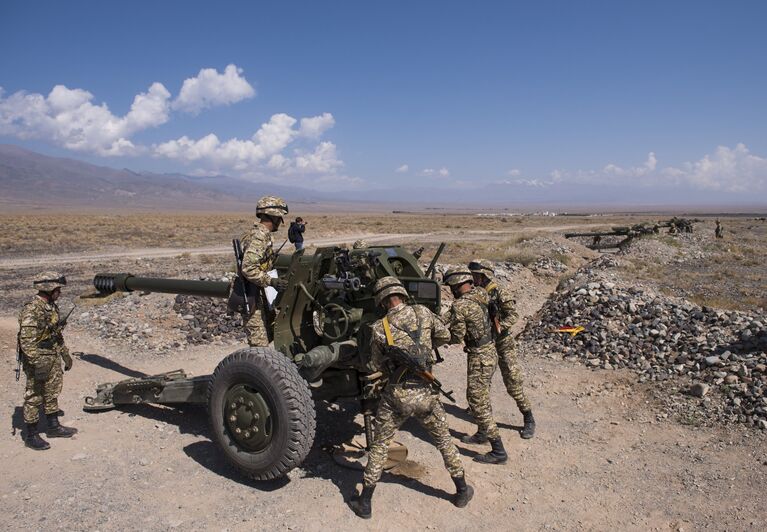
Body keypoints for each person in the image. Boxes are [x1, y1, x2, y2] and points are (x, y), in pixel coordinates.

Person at [349, 276, 473, 519]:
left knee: (380, 446)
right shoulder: (423, 313)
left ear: (382, 302)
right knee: (444, 441)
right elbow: (445, 336)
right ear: (402, 294)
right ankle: (460, 490)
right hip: (426, 394)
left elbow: (374, 364)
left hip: (396, 396)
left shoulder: (379, 328)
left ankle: (365, 502)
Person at [444, 266, 508, 465]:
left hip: (479, 357)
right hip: (489, 351)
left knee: (477, 401)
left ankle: (498, 451)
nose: (451, 290)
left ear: (456, 285)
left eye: (451, 286)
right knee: (481, 395)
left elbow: (456, 337)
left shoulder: (460, 306)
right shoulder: (481, 293)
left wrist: (439, 336)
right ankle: (482, 433)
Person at [468, 259, 535, 439]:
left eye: (477, 276)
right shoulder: (475, 292)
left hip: (503, 344)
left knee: (513, 383)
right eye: (473, 275)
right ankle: (483, 426)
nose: (474, 278)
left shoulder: (499, 292)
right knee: (480, 384)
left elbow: (513, 315)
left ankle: (528, 417)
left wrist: (499, 327)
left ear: (485, 275)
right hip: (485, 345)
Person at [18, 271, 77, 450]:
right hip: (38, 358)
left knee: (52, 391)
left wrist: (65, 355)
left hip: (52, 355)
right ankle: (31, 435)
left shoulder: (51, 307)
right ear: (48, 289)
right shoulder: (32, 308)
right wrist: (36, 362)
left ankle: (53, 426)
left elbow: (55, 335)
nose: (60, 292)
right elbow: (26, 341)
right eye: (58, 288)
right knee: (34, 396)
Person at [240, 196, 290, 347]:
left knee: (270, 333)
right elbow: (248, 268)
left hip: (260, 293)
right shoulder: (259, 236)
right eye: (279, 217)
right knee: (259, 345)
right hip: (251, 293)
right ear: (273, 216)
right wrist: (271, 281)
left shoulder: (262, 235)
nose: (281, 222)